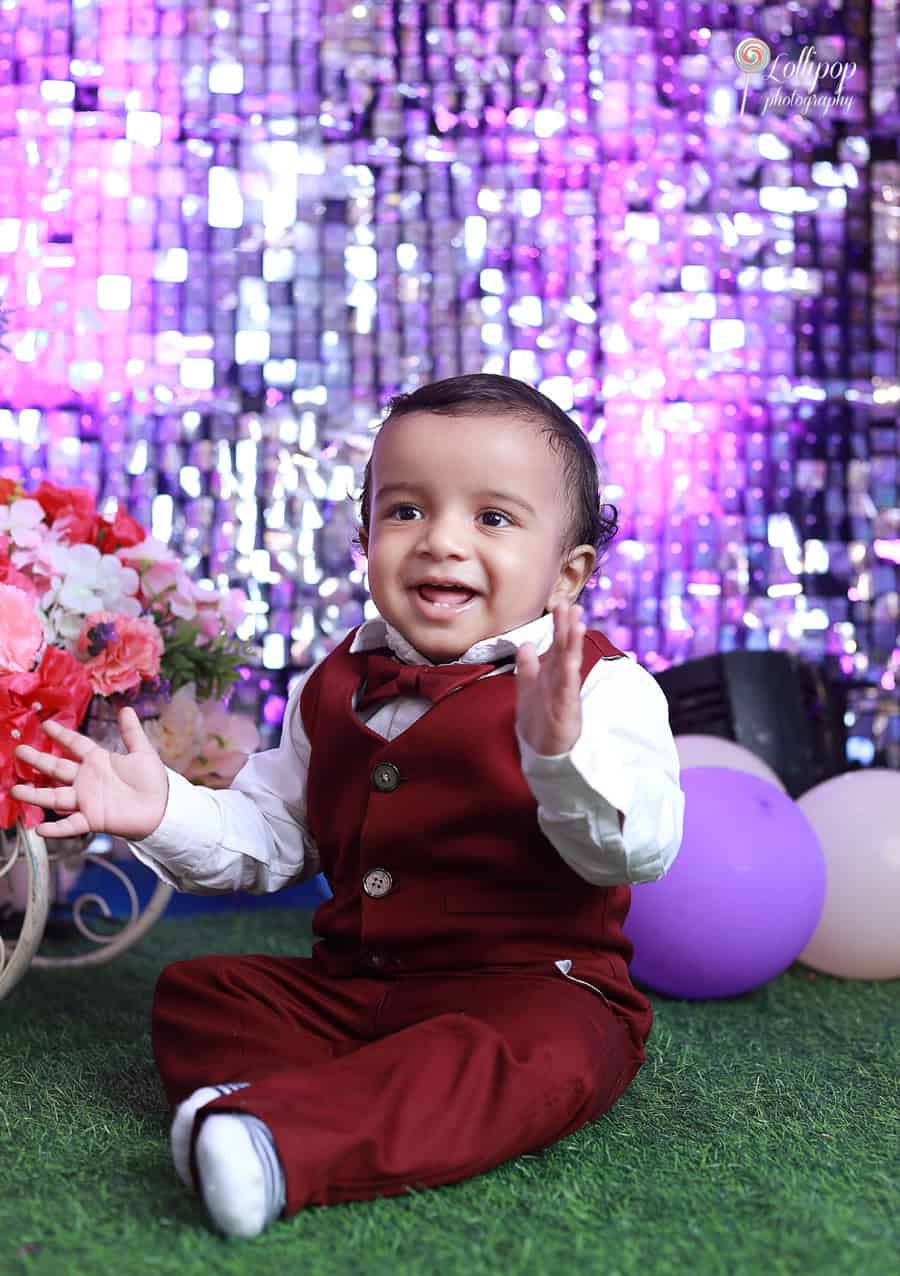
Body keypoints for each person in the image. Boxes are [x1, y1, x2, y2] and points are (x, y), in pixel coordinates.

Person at [11, 373, 684, 1242]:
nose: (440, 542)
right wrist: (163, 810)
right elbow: (273, 839)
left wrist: (558, 755)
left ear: (569, 572)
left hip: (528, 994)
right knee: (201, 993)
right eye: (406, 510)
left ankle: (281, 1143)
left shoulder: (605, 687)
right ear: (364, 536)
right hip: (357, 992)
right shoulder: (333, 685)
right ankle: (339, 1105)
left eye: (492, 518)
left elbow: (639, 851)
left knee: (539, 1056)